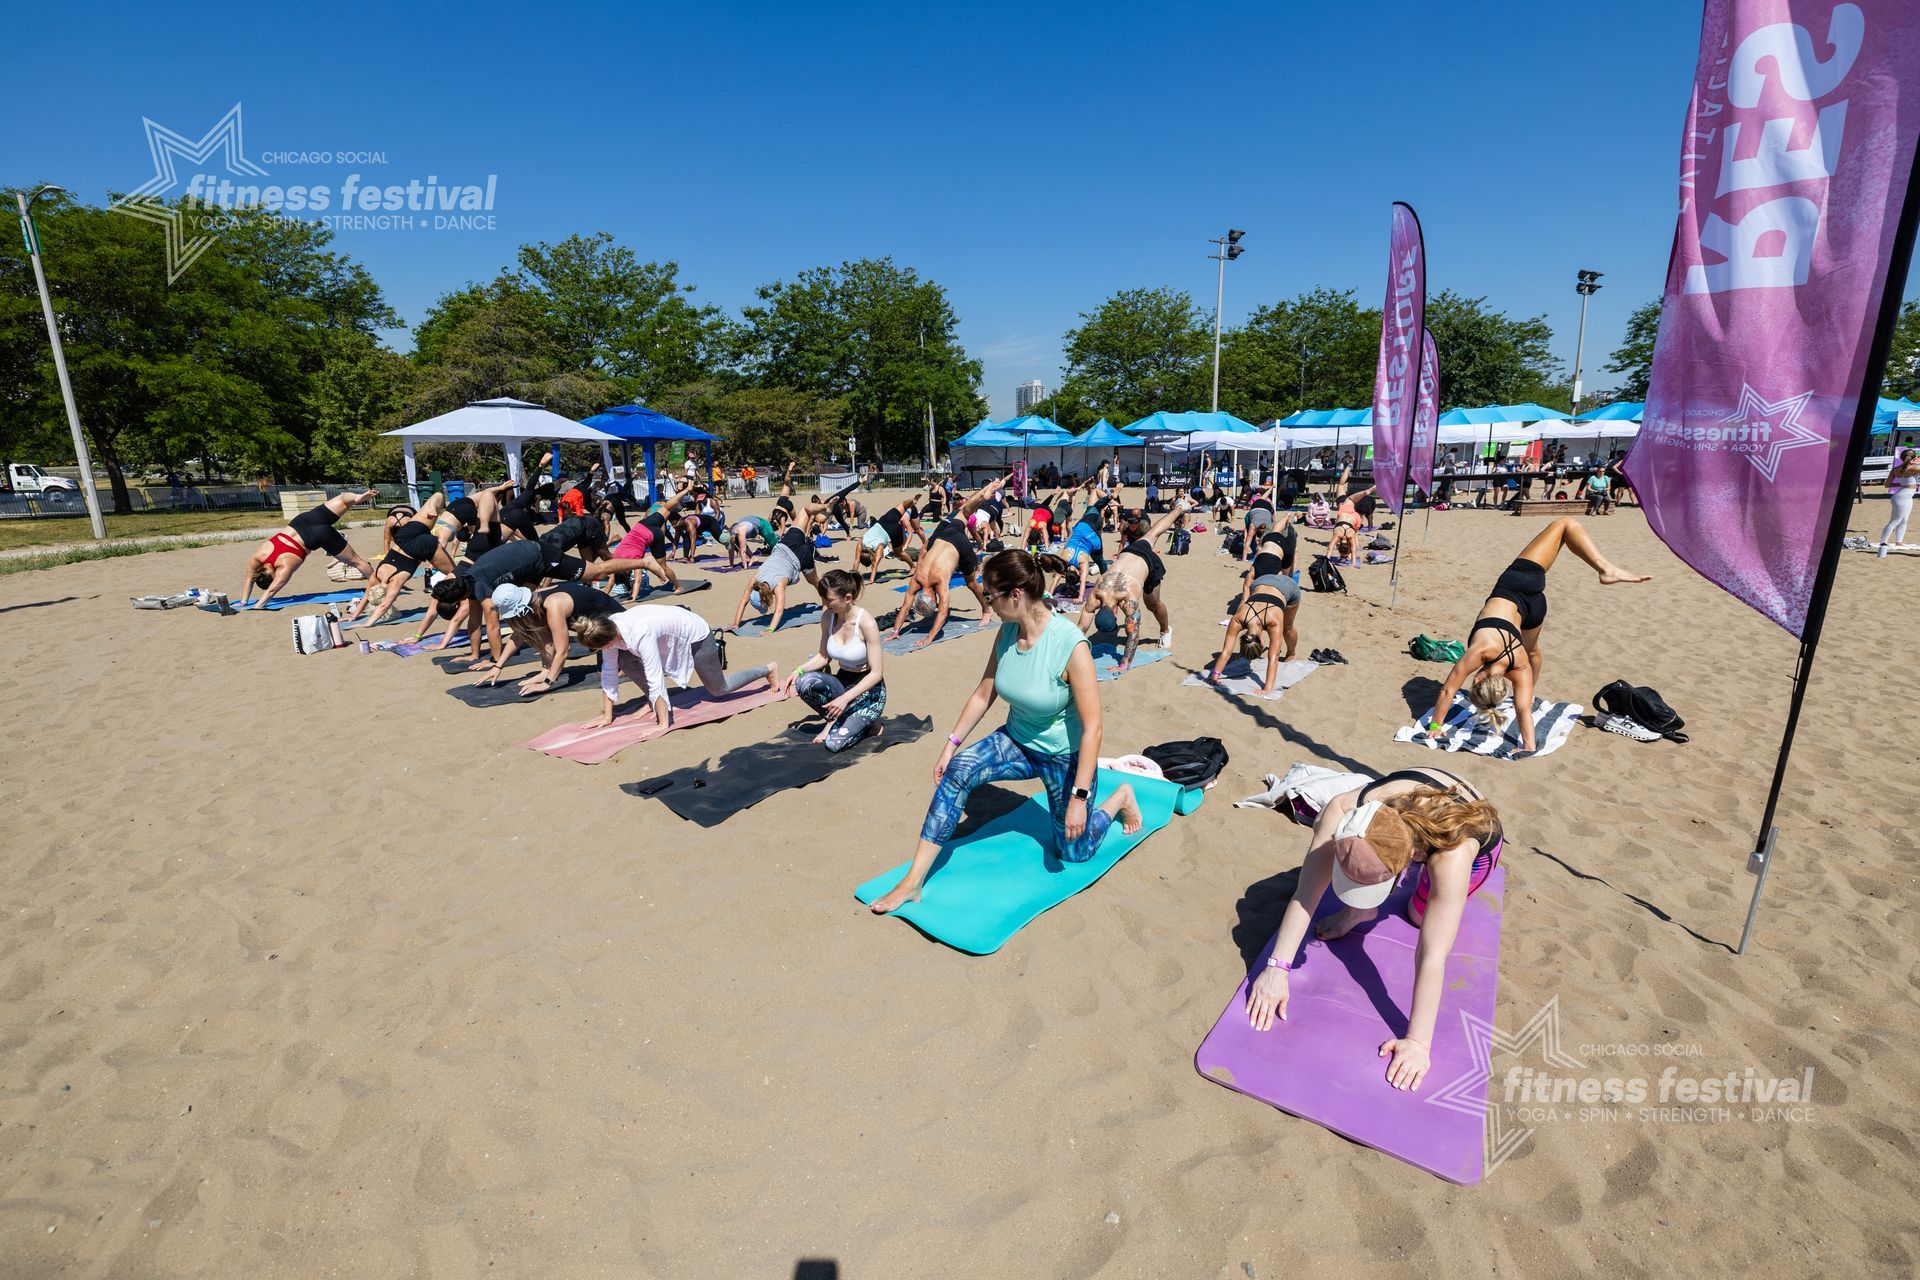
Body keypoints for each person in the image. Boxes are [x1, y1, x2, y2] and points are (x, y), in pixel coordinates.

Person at [868, 551, 1143, 914]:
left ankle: (1119, 798)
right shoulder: (1008, 631)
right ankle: (913, 882)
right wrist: (951, 746)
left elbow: (1093, 727)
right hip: (1016, 742)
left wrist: (1079, 798)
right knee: (959, 771)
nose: (987, 603)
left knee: (1074, 852)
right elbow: (984, 693)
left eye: (990, 596)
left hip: (1065, 757)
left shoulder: (1070, 645)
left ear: (1015, 595)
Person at [1241, 768, 1504, 1091]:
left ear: (1411, 858)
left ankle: (1389, 893)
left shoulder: (1452, 858)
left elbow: (1432, 955)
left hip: (1474, 837)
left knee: (1418, 916)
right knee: (1354, 866)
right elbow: (1306, 892)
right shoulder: (1342, 809)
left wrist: (1417, 1043)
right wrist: (1276, 968)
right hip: (1417, 814)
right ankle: (1361, 910)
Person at [1427, 518, 1650, 754]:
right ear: (1477, 681)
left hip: (1534, 609)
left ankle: (1531, 693)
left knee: (1532, 652)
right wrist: (1435, 726)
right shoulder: (1481, 650)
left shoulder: (1519, 667)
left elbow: (1523, 709)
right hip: (1518, 584)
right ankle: (1606, 570)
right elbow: (1447, 690)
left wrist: (1528, 745)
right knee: (1565, 525)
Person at [572, 604, 778, 730]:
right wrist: (607, 716)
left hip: (695, 634)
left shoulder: (640, 633)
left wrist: (663, 724)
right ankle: (653, 702)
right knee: (624, 661)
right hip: (667, 633)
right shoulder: (608, 629)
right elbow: (609, 672)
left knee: (719, 689)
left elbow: (654, 677)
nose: (600, 651)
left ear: (609, 640)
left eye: (599, 647)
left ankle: (768, 669)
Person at [890, 477, 1006, 647]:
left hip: (961, 545)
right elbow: (906, 607)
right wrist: (895, 631)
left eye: (934, 602)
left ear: (931, 598)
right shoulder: (917, 577)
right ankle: (985, 491)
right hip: (946, 535)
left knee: (972, 583)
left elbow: (942, 613)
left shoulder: (936, 581)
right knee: (964, 511)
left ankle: (986, 610)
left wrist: (929, 638)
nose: (937, 601)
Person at [1077, 499, 1192, 667]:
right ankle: (1180, 507)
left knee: (1152, 603)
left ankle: (1165, 630)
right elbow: (1080, 629)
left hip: (1148, 562)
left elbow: (1133, 635)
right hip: (1129, 553)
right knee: (1154, 532)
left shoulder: (1126, 600)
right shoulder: (1096, 593)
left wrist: (1124, 664)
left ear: (1115, 614)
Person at [784, 569, 889, 751]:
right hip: (842, 682)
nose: (825, 604)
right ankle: (834, 720)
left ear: (847, 598)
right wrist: (798, 670)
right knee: (804, 683)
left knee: (834, 744)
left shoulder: (866, 623)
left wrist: (844, 699)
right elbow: (823, 657)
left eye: (829, 600)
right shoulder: (828, 617)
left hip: (869, 690)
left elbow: (876, 673)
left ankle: (871, 722)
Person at [470, 580, 624, 696]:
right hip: (591, 624)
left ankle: (630, 657)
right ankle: (546, 669)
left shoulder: (553, 605)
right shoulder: (535, 600)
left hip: (614, 625)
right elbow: (518, 635)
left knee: (606, 675)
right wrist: (498, 666)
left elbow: (563, 651)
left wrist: (547, 683)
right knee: (537, 628)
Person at [240, 488, 380, 607]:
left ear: (273, 576)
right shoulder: (257, 557)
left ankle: (379, 587)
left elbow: (271, 591)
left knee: (357, 562)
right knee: (343, 499)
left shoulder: (284, 566)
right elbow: (248, 579)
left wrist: (257, 605)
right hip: (303, 521)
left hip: (317, 536)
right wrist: (243, 601)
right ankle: (357, 497)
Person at [428, 537, 552, 666]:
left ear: (458, 601)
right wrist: (474, 654)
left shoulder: (480, 589)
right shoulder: (466, 585)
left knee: (534, 604)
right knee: (529, 607)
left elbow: (493, 626)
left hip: (537, 555)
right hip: (523, 560)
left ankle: (552, 641)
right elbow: (474, 622)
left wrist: (495, 660)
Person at [731, 520, 823, 633]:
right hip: (786, 545)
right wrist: (736, 623)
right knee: (805, 512)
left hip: (801, 557)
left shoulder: (777, 586)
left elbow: (779, 611)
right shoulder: (756, 578)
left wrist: (770, 629)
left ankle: (826, 602)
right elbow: (743, 601)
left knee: (813, 581)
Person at [858, 492, 927, 582]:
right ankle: (913, 501)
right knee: (902, 505)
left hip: (894, 530)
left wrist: (871, 580)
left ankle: (913, 567)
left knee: (899, 553)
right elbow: (857, 561)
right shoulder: (861, 542)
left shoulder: (879, 547)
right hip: (885, 520)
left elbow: (875, 565)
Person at [1877, 447, 1918, 557]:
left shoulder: (1896, 469)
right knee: (1895, 521)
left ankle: (1899, 541)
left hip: (1902, 495)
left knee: (1904, 520)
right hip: (1904, 497)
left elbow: (1887, 485)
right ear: (1913, 458)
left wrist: (1900, 484)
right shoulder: (1914, 468)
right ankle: (1883, 542)